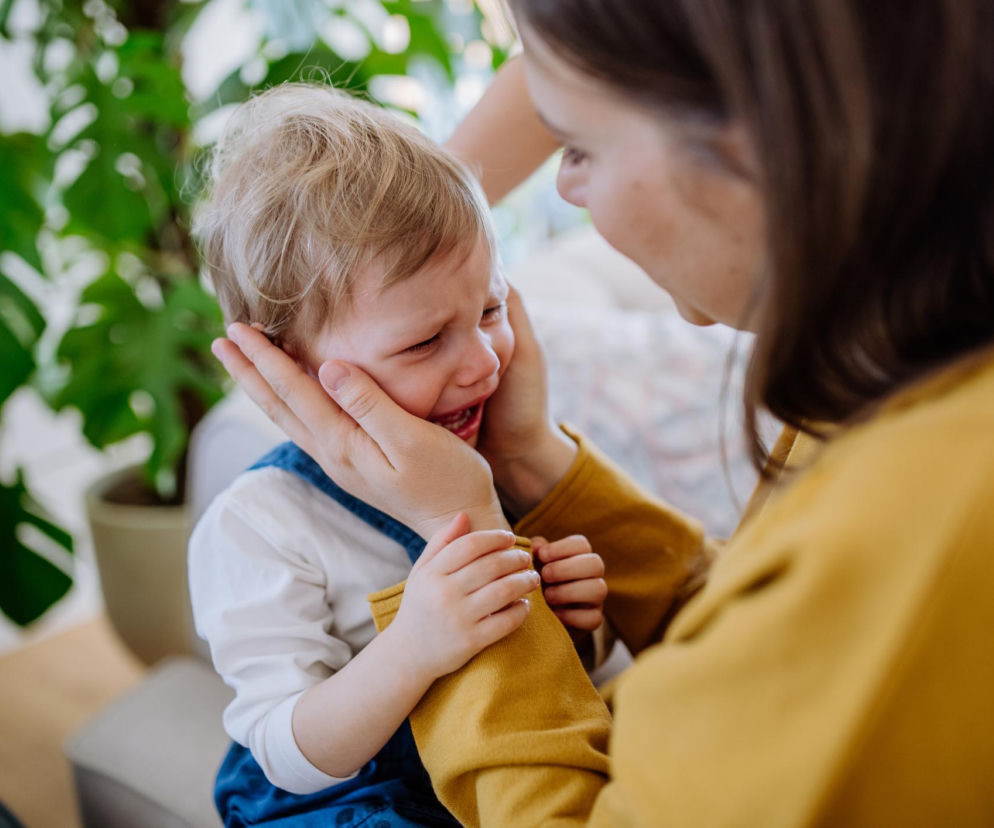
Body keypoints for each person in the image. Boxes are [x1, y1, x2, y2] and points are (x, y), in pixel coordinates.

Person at [211, 0, 994, 824]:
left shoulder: (929, 512)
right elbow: (750, 650)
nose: (564, 183)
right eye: (421, 340)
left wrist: (479, 538)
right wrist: (532, 470)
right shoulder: (893, 381)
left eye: (578, 144)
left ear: (753, 139)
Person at [187, 83, 609, 827]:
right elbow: (286, 755)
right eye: (422, 342)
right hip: (350, 802)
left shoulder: (475, 455)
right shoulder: (258, 524)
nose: (483, 362)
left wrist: (574, 629)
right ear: (287, 364)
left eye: (489, 309)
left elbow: (542, 690)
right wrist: (412, 648)